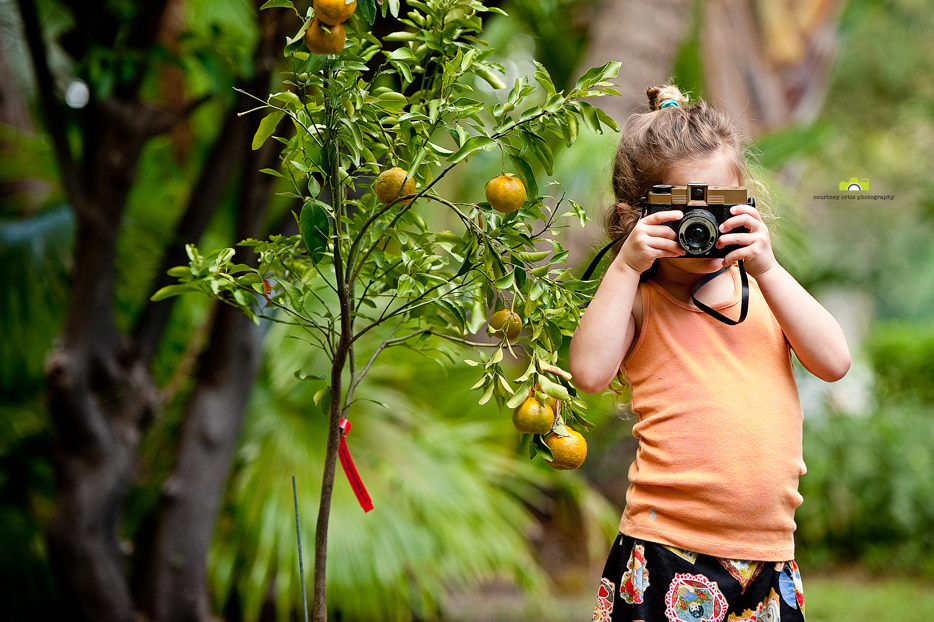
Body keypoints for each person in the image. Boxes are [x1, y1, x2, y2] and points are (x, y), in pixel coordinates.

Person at [570, 84, 851, 622]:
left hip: (770, 562)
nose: (703, 227)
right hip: (665, 550)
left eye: (719, 207)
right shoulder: (640, 301)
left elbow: (834, 361)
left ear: (745, 206)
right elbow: (587, 372)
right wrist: (626, 266)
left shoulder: (769, 292)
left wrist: (767, 266)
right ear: (639, 217)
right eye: (682, 211)